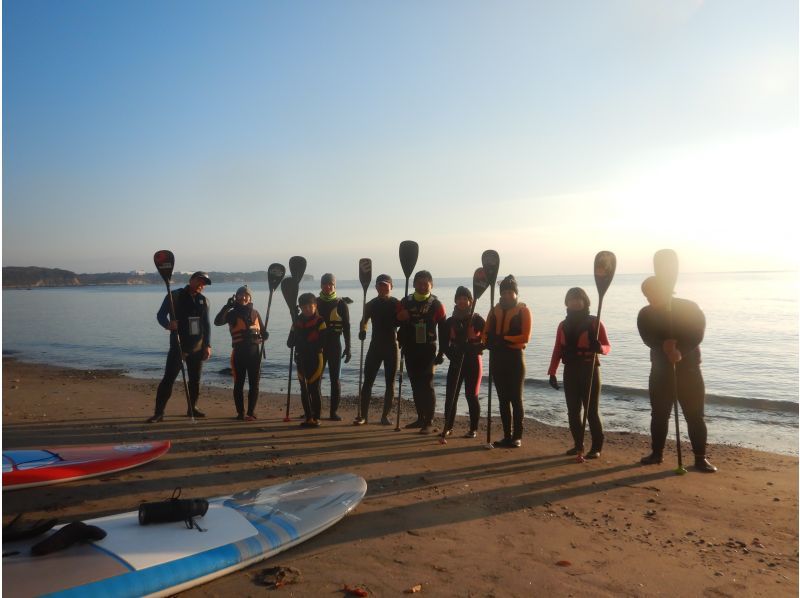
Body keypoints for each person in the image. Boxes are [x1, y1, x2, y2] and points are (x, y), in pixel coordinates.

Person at [637, 276, 717, 473]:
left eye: (653, 294)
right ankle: (657, 453)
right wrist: (662, 346)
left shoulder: (689, 307)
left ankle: (700, 458)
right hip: (660, 371)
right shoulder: (645, 314)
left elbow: (697, 333)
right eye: (647, 295)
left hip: (689, 371)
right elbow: (646, 337)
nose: (650, 298)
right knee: (659, 415)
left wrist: (681, 350)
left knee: (695, 416)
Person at [547, 287, 611, 458]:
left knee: (591, 411)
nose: (575, 302)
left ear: (585, 301)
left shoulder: (595, 322)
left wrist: (599, 348)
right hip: (570, 371)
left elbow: (607, 346)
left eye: (578, 299)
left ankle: (596, 447)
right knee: (573, 411)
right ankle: (578, 445)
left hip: (589, 369)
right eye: (571, 299)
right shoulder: (563, 325)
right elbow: (557, 350)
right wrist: (552, 372)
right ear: (567, 302)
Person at [147, 271, 212, 423]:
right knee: (168, 379)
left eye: (204, 284)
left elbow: (206, 325)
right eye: (199, 281)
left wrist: (207, 345)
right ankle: (159, 413)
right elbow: (160, 315)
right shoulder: (174, 296)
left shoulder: (204, 301)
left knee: (195, 381)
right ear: (191, 280)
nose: (201, 285)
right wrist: (168, 324)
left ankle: (192, 408)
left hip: (197, 347)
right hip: (178, 346)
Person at [482, 275, 532, 448]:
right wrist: (487, 341)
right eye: (504, 292)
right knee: (503, 400)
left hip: (515, 359)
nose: (508, 295)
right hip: (497, 358)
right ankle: (506, 435)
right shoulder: (493, 310)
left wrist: (504, 338)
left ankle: (517, 436)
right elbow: (485, 333)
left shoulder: (523, 311)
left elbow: (525, 337)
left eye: (511, 292)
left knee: (515, 399)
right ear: (501, 293)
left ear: (516, 293)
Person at [396, 270, 447, 434]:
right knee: (415, 384)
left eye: (426, 283)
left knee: (427, 384)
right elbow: (396, 322)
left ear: (431, 285)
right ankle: (420, 418)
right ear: (414, 284)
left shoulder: (436, 305)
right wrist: (400, 317)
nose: (423, 286)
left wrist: (442, 352)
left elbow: (444, 330)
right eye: (419, 283)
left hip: (428, 349)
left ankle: (429, 421)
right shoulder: (405, 301)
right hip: (410, 348)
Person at [437, 286, 485, 438]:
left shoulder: (477, 319)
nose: (462, 301)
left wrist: (473, 348)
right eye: (460, 298)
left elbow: (487, 341)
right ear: (456, 300)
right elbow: (444, 344)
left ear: (471, 301)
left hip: (473, 361)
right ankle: (448, 427)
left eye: (466, 298)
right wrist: (453, 355)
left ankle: (473, 429)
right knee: (451, 395)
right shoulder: (450, 321)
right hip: (456, 361)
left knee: (471, 395)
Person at [214, 285, 267, 421]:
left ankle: (251, 412)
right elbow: (217, 322)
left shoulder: (255, 313)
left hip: (255, 354)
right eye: (241, 295)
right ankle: (240, 413)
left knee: (254, 384)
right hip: (239, 354)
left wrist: (265, 334)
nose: (244, 297)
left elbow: (263, 331)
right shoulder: (232, 313)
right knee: (239, 384)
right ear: (236, 297)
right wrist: (227, 307)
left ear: (250, 298)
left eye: (246, 295)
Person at [355, 274, 399, 425]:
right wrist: (363, 330)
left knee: (390, 383)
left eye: (385, 285)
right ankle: (363, 416)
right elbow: (364, 321)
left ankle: (385, 416)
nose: (382, 287)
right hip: (375, 347)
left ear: (391, 287)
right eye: (380, 285)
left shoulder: (396, 304)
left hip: (392, 347)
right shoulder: (371, 304)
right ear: (376, 287)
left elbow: (404, 321)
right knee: (368, 381)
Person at [287, 292, 327, 427]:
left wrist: (306, 344)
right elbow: (289, 343)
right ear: (301, 308)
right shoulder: (296, 322)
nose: (307, 310)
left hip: (316, 359)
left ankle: (317, 418)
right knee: (304, 389)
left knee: (314, 389)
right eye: (304, 307)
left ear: (315, 306)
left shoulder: (320, 321)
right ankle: (308, 417)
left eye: (310, 306)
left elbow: (323, 342)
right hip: (301, 359)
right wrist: (295, 329)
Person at [316, 273, 352, 421]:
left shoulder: (341, 304)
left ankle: (333, 412)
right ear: (321, 285)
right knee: (315, 379)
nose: (328, 286)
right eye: (325, 284)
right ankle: (314, 411)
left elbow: (347, 327)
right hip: (317, 346)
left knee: (335, 379)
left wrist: (348, 347)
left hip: (335, 345)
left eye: (330, 284)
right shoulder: (315, 302)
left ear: (334, 285)